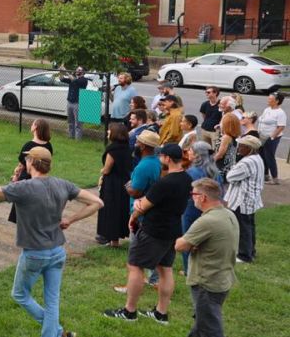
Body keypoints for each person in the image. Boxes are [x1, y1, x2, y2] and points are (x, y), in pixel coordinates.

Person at [0, 146, 103, 337]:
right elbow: (97, 202)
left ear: (31, 163)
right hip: (57, 252)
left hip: (35, 255)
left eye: (27, 160)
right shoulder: (62, 184)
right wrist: (70, 220)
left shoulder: (24, 188)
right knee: (52, 303)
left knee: (20, 294)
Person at [105, 143, 191, 325]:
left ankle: (129, 311)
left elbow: (144, 205)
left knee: (135, 265)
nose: (160, 159)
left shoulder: (165, 182)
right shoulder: (186, 179)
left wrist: (134, 215)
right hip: (173, 229)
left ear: (167, 158)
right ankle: (161, 313)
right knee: (165, 269)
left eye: (162, 156)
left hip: (154, 230)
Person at [174, 178, 238, 337]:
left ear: (202, 197)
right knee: (204, 317)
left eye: (193, 195)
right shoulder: (227, 214)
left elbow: (180, 245)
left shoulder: (207, 221)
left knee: (211, 326)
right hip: (223, 277)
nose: (191, 199)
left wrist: (190, 244)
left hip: (206, 281)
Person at [113, 130, 162, 293]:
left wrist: (128, 186)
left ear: (144, 146)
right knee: (151, 249)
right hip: (151, 211)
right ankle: (154, 279)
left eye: (138, 142)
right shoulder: (156, 162)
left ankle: (132, 285)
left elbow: (136, 191)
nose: (135, 144)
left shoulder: (144, 166)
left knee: (135, 253)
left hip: (139, 210)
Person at [224, 135, 264, 263]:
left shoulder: (247, 162)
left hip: (242, 199)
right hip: (251, 198)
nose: (239, 148)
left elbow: (230, 177)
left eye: (242, 146)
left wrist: (232, 169)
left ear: (249, 148)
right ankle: (251, 251)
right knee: (249, 226)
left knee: (242, 227)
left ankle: (244, 255)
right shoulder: (257, 158)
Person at [181, 142, 218, 274]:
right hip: (210, 209)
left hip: (191, 208)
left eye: (190, 150)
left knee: (189, 238)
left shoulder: (191, 172)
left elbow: (184, 192)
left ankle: (188, 270)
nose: (188, 153)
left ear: (197, 155)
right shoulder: (215, 172)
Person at [97, 123, 132, 248]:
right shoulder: (127, 147)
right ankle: (115, 240)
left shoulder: (113, 149)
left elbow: (107, 169)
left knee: (110, 209)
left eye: (109, 131)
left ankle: (110, 238)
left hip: (112, 183)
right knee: (120, 209)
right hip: (124, 181)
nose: (107, 133)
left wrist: (101, 172)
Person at [258, 92, 286, 184]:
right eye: (268, 98)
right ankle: (265, 175)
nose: (268, 100)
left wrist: (272, 137)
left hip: (271, 138)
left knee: (269, 157)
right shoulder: (267, 109)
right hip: (262, 136)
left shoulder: (280, 113)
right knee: (262, 156)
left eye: (270, 99)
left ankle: (275, 178)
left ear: (277, 101)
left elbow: (281, 127)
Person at [59, 67, 88, 140]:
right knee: (70, 121)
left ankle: (78, 139)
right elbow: (62, 79)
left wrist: (67, 72)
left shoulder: (84, 80)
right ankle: (70, 136)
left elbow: (75, 81)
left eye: (80, 70)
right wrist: (61, 72)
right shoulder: (73, 78)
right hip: (70, 102)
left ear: (83, 72)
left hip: (78, 103)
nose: (77, 71)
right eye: (77, 69)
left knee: (78, 123)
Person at [213, 113, 240, 185]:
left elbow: (220, 154)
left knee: (220, 187)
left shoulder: (226, 137)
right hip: (229, 165)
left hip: (222, 166)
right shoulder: (233, 135)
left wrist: (211, 161)